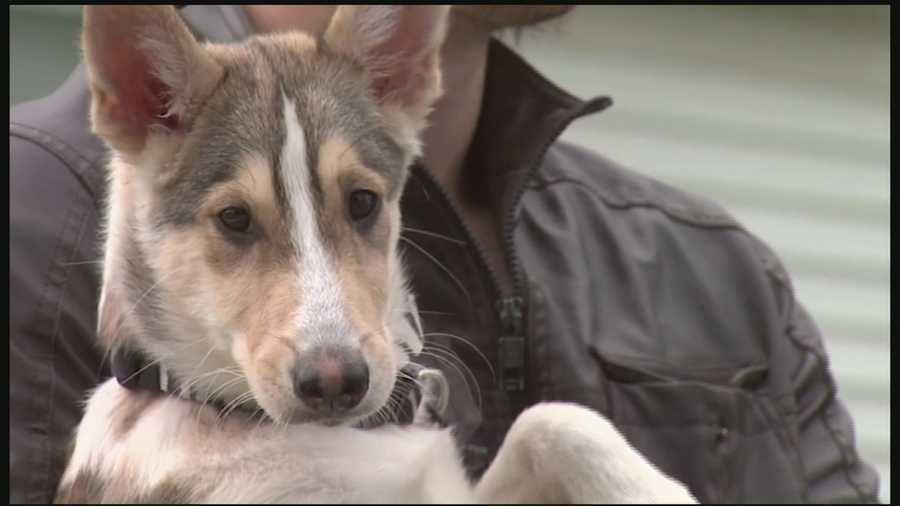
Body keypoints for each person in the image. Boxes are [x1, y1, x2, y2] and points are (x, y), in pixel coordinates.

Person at [9, 5, 880, 503]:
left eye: (361, 208)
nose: (333, 342)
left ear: (405, 73)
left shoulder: (719, 270)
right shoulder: (35, 216)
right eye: (238, 225)